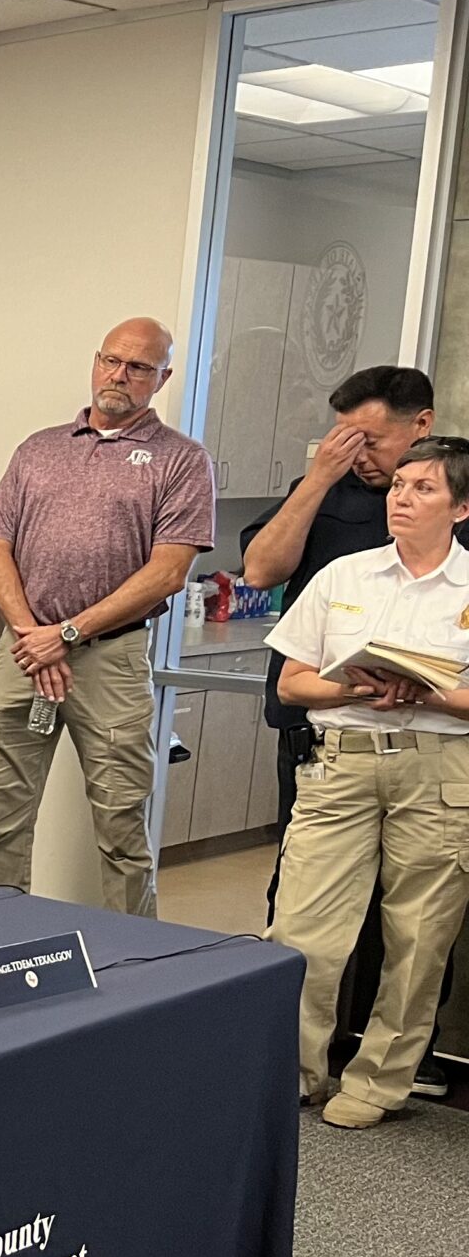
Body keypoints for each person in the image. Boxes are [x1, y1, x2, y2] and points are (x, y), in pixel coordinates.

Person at [240, 366, 451, 1098]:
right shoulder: (328, 497)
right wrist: (318, 479)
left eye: (372, 440)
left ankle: (390, 1068)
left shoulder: (451, 496)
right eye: (345, 438)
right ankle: (296, 1060)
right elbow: (260, 571)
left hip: (434, 749)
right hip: (326, 736)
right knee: (303, 909)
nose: (360, 456)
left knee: (417, 926)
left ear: (420, 426)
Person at [0, 318, 214, 917]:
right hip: (24, 655)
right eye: (111, 360)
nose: (119, 375)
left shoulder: (182, 461)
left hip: (109, 660)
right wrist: (34, 636)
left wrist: (68, 634)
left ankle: (137, 954)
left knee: (122, 826)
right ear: (96, 360)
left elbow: (168, 573)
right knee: (3, 820)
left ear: (162, 378)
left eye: (138, 367)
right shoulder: (38, 449)